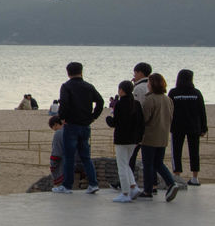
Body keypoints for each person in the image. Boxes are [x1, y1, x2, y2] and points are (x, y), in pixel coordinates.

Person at [53, 62, 103, 194]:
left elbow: (64, 103)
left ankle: (67, 186)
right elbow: (100, 101)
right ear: (81, 72)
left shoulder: (66, 86)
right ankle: (93, 183)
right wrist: (93, 117)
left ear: (68, 73)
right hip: (85, 125)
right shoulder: (88, 86)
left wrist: (62, 118)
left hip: (71, 125)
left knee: (69, 157)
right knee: (86, 156)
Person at [140, 73, 183, 201]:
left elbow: (145, 118)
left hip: (150, 136)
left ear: (152, 84)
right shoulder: (167, 99)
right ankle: (171, 183)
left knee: (148, 164)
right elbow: (171, 116)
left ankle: (148, 190)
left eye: (149, 83)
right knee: (158, 162)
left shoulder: (150, 99)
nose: (147, 85)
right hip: (163, 135)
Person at [106, 80, 143, 202]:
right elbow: (141, 123)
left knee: (121, 165)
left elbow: (115, 123)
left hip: (122, 139)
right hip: (133, 140)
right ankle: (133, 187)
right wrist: (139, 138)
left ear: (122, 90)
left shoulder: (120, 104)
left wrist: (108, 119)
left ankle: (125, 193)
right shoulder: (136, 104)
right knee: (126, 163)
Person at [169, 69, 207, 187]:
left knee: (176, 151)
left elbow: (168, 110)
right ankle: (195, 177)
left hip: (177, 126)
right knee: (194, 151)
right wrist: (204, 128)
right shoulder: (196, 93)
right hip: (194, 126)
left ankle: (177, 175)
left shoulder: (173, 93)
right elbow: (202, 111)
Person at [128, 62, 153, 176]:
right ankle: (153, 182)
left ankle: (128, 180)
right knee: (149, 157)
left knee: (131, 155)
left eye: (135, 73)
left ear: (140, 73)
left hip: (139, 126)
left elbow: (137, 107)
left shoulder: (138, 88)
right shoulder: (151, 85)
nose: (134, 75)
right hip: (151, 125)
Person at [48, 116, 66, 190]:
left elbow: (56, 153)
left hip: (64, 163)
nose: (54, 130)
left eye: (53, 128)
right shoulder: (71, 130)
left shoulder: (58, 133)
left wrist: (53, 165)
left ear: (55, 124)